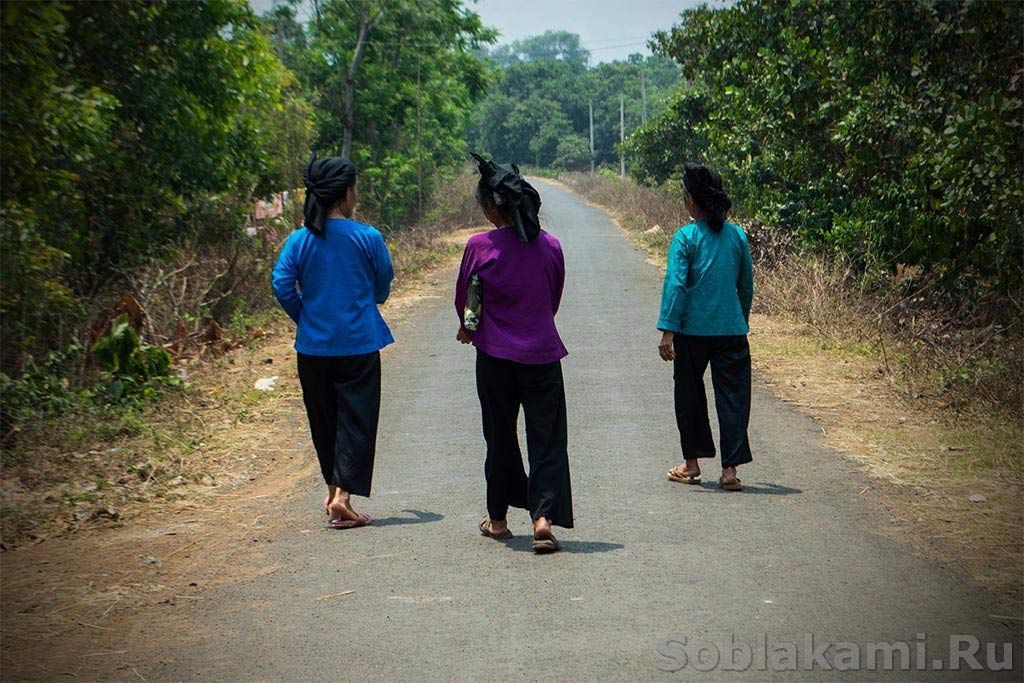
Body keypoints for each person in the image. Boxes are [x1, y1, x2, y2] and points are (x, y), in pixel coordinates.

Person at [455, 153, 574, 553]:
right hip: (542, 355)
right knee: (547, 439)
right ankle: (542, 518)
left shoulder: (478, 246)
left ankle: (500, 520)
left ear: (491, 207)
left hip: (494, 358)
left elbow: (466, 301)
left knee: (500, 435)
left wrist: (471, 329)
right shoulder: (551, 246)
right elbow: (552, 299)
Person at [272, 154, 394, 528]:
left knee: (324, 420)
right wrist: (366, 300)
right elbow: (383, 283)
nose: (357, 194)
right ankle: (342, 497)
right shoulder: (367, 237)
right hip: (358, 344)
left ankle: (332, 491)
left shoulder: (299, 239)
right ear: (345, 193)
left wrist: (306, 317)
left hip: (313, 348)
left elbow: (281, 284)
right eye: (354, 188)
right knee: (357, 420)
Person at [657, 162, 754, 491]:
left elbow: (676, 285)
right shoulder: (738, 236)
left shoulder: (685, 237)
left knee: (689, 394)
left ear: (690, 201)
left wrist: (668, 330)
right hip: (732, 332)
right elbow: (746, 287)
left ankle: (692, 464)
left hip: (691, 333)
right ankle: (730, 471)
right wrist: (738, 318)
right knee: (734, 397)